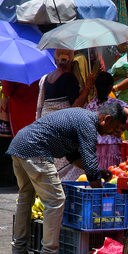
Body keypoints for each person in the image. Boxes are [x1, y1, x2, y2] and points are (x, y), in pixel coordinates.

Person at [7, 103, 127, 254]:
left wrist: (98, 172)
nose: (111, 133)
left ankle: (19, 251)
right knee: (56, 200)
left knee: (26, 198)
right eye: (113, 128)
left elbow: (73, 156)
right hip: (35, 150)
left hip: (19, 145)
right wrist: (101, 195)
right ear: (107, 119)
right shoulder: (88, 124)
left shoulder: (81, 118)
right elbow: (90, 163)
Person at [37, 49, 96, 181]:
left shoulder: (46, 79)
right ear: (71, 62)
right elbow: (75, 106)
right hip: (62, 129)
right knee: (68, 164)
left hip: (48, 126)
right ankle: (64, 194)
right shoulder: (69, 78)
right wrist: (88, 86)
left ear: (55, 60)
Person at [85, 72, 128, 169]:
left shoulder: (90, 105)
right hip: (112, 145)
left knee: (98, 173)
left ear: (95, 87)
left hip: (95, 146)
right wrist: (121, 128)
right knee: (112, 172)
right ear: (110, 88)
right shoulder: (116, 104)